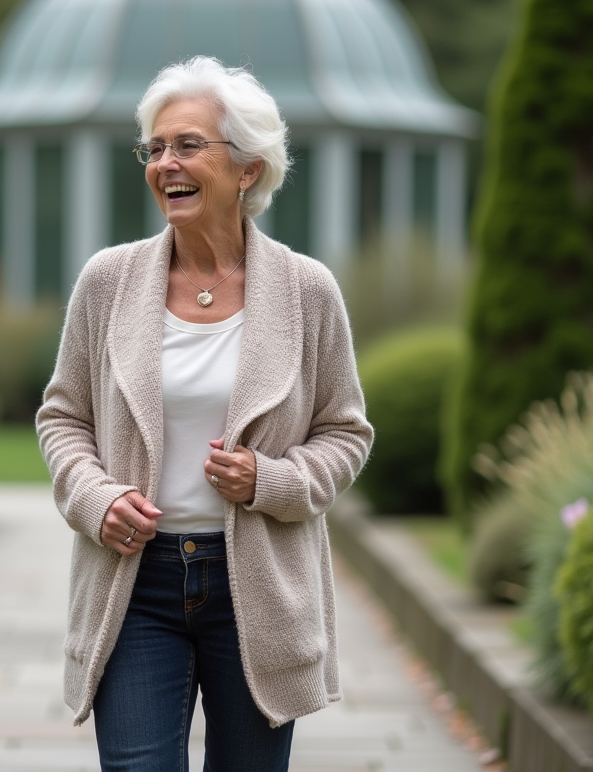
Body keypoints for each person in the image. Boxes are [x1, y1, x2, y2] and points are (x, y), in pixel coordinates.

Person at [36, 56, 373, 772]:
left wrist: (271, 480)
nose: (165, 164)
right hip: (135, 584)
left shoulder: (307, 291)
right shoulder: (107, 281)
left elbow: (345, 432)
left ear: (248, 168)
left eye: (187, 145)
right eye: (154, 149)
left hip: (258, 586)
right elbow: (63, 417)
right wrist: (98, 498)